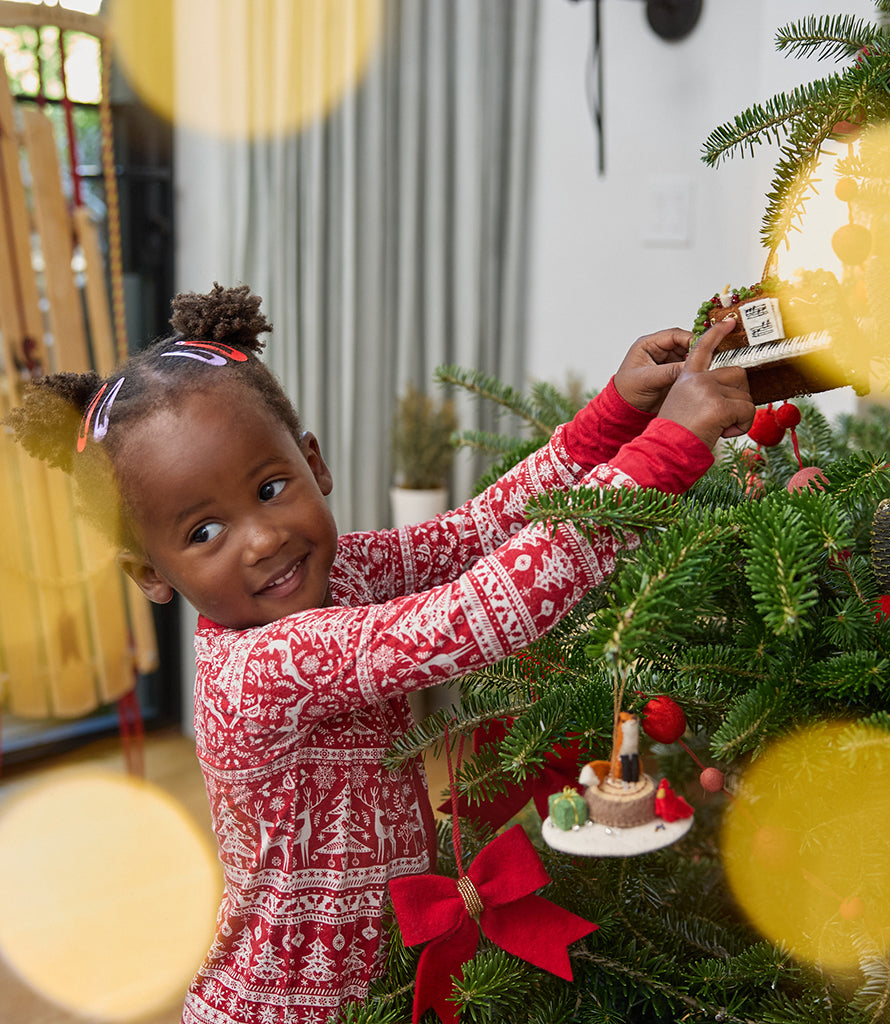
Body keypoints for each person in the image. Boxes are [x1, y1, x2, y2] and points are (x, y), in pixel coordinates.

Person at [6, 283, 752, 1023]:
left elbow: (473, 533)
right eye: (203, 533)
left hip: (382, 982)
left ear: (312, 465)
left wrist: (613, 418)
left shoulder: (345, 573)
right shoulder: (264, 666)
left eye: (270, 488)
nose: (262, 539)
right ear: (150, 574)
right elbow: (484, 612)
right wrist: (667, 451)